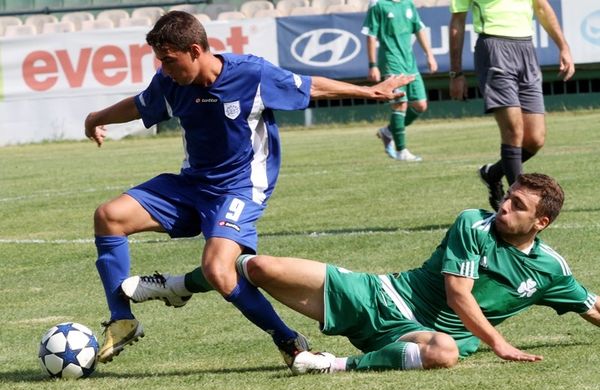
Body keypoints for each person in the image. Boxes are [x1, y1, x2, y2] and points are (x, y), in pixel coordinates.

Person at [84, 10, 412, 365]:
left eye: (169, 60)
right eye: (160, 61)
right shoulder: (170, 83)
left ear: (195, 50)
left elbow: (310, 85)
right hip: (193, 184)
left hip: (240, 188)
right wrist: (97, 117)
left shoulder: (250, 74)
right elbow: (139, 105)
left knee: (218, 270)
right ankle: (122, 319)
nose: (163, 68)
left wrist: (368, 91)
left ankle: (289, 341)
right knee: (110, 216)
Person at [129, 173, 600, 373]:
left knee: (446, 353)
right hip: (379, 295)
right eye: (508, 195)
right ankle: (175, 286)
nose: (504, 205)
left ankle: (330, 365)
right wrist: (499, 343)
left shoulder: (551, 271)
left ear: (540, 223)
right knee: (256, 266)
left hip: (415, 335)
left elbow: (590, 306)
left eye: (517, 205)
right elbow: (459, 295)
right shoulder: (472, 223)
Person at [449, 0, 575, 210]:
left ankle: (493, 173)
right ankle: (521, 205)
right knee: (513, 132)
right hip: (493, 48)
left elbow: (542, 8)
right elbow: (457, 22)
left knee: (535, 139)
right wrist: (456, 72)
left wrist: (564, 47)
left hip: (526, 49)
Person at [362, 0, 438, 162]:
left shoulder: (408, 4)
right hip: (391, 62)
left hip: (409, 62)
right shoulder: (378, 4)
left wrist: (429, 55)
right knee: (400, 104)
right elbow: (370, 35)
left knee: (420, 105)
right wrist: (373, 65)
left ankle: (388, 131)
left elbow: (419, 29)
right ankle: (401, 151)